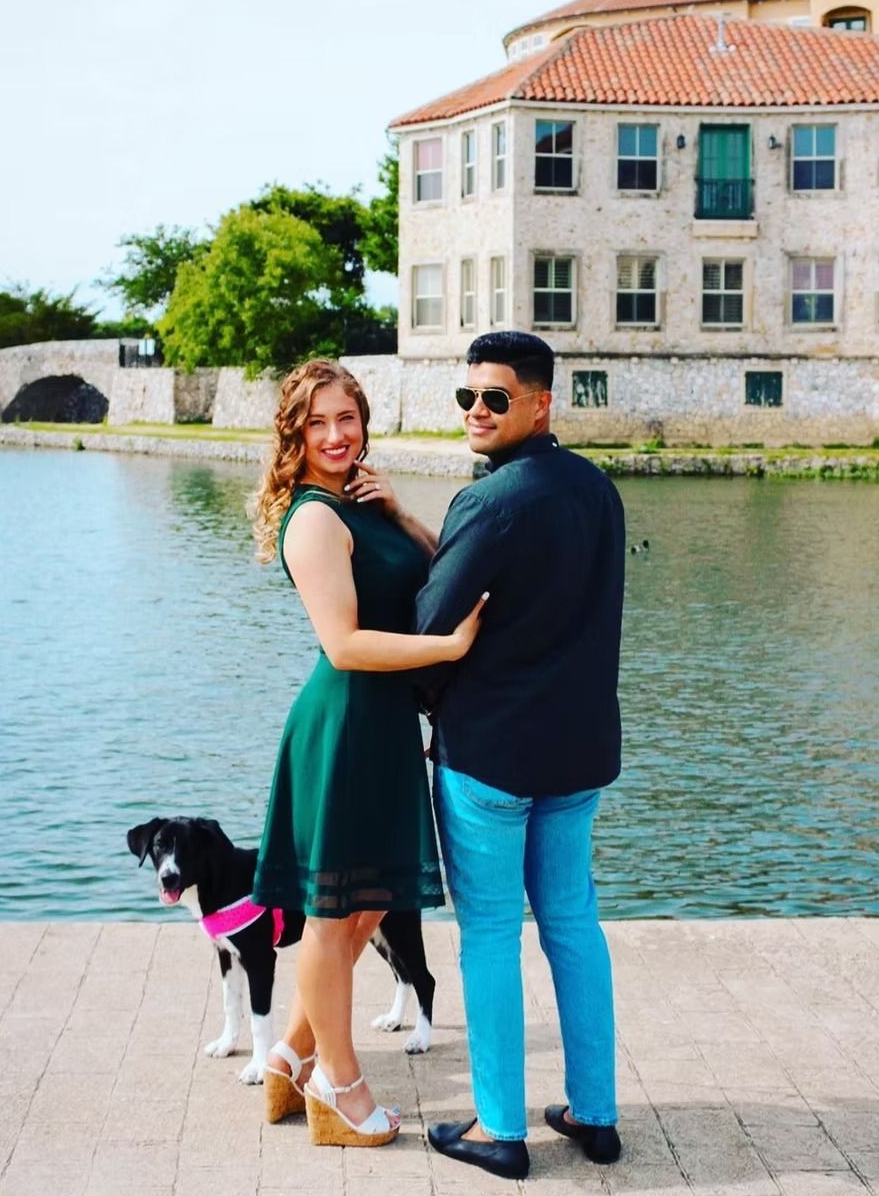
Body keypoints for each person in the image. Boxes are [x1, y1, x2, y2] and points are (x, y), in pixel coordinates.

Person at [249, 358, 486, 1148]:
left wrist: (402, 513)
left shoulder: (359, 501)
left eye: (345, 417)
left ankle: (289, 1056)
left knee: (372, 901)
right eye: (316, 422)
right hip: (345, 722)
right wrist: (446, 647)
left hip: (383, 723)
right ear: (294, 434)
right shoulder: (314, 519)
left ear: (363, 421)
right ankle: (339, 1087)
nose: (335, 434)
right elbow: (345, 645)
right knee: (331, 916)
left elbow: (433, 572)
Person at [415, 331, 626, 1181]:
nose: (476, 410)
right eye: (466, 396)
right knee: (573, 924)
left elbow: (432, 626)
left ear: (540, 405)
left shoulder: (491, 501)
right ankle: (595, 1115)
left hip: (492, 757)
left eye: (494, 398)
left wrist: (427, 703)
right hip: (577, 752)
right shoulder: (598, 489)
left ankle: (499, 1128)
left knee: (491, 935)